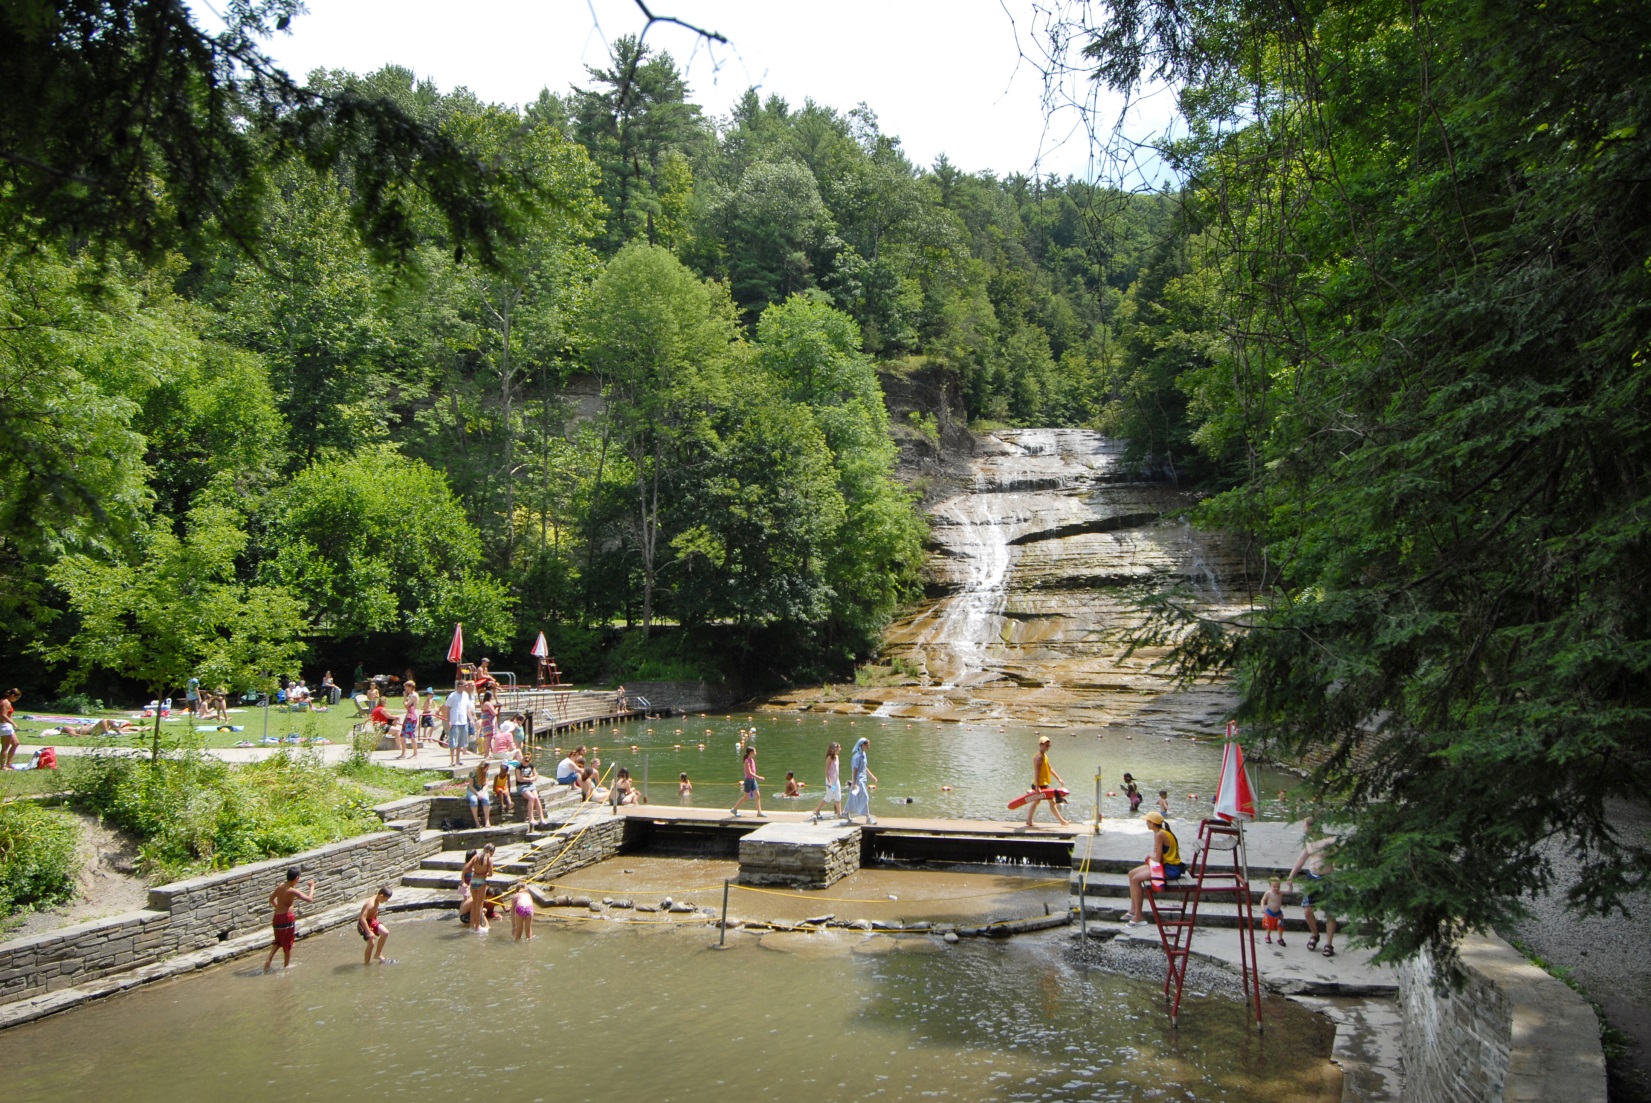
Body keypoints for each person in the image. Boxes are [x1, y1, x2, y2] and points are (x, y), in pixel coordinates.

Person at [1287, 820, 1340, 956]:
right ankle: (1315, 934)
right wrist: (1291, 875)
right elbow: (1301, 859)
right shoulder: (1309, 841)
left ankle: (1329, 944)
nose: (1304, 830)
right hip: (1312, 877)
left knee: (1330, 912)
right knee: (1307, 910)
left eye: (1305, 827)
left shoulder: (1329, 841)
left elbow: (1338, 859)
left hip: (1327, 878)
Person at [1123, 810, 1184, 926]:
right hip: (1164, 865)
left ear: (1152, 823)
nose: (1146, 823)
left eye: (1147, 821)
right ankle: (1133, 909)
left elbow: (1157, 857)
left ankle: (1139, 917)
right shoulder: (1162, 832)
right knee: (1132, 873)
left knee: (1136, 879)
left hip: (1170, 869)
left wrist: (1150, 856)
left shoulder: (1159, 835)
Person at [263, 867, 315, 972]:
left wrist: (279, 907)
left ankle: (269, 958)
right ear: (296, 878)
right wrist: (312, 887)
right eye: (298, 878)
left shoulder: (280, 886)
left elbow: (271, 899)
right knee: (288, 943)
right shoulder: (292, 891)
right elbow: (309, 899)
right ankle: (286, 967)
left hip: (276, 918)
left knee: (278, 940)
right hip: (286, 918)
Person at [1024, 736, 1070, 827]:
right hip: (1040, 785)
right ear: (1041, 745)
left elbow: (1050, 769)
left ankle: (1029, 820)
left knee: (1044, 802)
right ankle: (1062, 821)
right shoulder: (1039, 757)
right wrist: (1037, 787)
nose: (1048, 747)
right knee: (1046, 802)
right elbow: (1036, 772)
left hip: (1044, 784)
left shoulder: (1044, 756)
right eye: (1046, 745)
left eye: (1049, 746)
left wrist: (1059, 778)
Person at [842, 737, 878, 824]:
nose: (868, 746)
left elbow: (864, 767)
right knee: (865, 797)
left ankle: (845, 812)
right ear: (862, 745)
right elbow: (854, 770)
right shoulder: (857, 757)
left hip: (863, 779)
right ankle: (868, 818)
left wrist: (872, 776)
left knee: (853, 797)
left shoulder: (863, 755)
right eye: (867, 745)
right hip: (858, 781)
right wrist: (854, 783)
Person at [462, 845, 495, 933]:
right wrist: (485, 873)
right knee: (479, 905)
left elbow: (466, 867)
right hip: (481, 882)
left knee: (474, 904)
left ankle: (472, 925)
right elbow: (491, 874)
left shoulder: (476, 857)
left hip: (473, 881)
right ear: (491, 851)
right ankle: (477, 926)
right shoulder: (490, 859)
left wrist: (474, 871)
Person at [443, 679, 476, 767]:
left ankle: (458, 760)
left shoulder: (465, 695)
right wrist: (449, 720)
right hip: (455, 721)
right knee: (453, 741)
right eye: (465, 685)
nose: (466, 687)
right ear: (459, 686)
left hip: (463, 721)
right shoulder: (452, 695)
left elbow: (467, 708)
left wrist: (471, 719)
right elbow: (448, 708)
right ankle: (452, 760)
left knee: (461, 742)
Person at [357, 885, 393, 965]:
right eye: (386, 899)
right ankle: (367, 964)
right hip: (363, 923)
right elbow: (362, 918)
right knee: (371, 943)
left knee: (385, 933)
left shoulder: (378, 899)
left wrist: (376, 921)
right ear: (381, 896)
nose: (386, 901)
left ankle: (378, 954)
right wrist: (369, 932)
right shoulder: (370, 904)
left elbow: (374, 911)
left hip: (371, 921)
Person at [808, 743, 843, 823]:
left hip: (836, 781)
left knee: (838, 795)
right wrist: (829, 782)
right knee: (829, 796)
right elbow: (827, 770)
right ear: (834, 748)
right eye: (838, 747)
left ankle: (839, 814)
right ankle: (817, 810)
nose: (840, 749)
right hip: (830, 781)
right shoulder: (830, 758)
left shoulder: (837, 757)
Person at [729, 743, 765, 818]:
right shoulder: (747, 761)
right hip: (748, 781)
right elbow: (749, 772)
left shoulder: (752, 760)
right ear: (751, 752)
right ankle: (734, 809)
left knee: (757, 795)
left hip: (753, 780)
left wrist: (756, 778)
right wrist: (758, 777)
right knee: (746, 797)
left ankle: (759, 812)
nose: (756, 753)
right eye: (755, 751)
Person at [516, 752, 546, 827]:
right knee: (531, 798)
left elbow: (535, 775)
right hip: (521, 786)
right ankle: (531, 818)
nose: (526, 764)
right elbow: (519, 779)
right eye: (524, 762)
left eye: (527, 762)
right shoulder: (518, 767)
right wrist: (530, 779)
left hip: (530, 785)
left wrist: (529, 779)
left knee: (536, 798)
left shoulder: (531, 766)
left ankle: (541, 817)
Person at [1260, 879, 1287, 946]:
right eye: (1274, 886)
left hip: (1278, 913)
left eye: (1278, 887)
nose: (1276, 888)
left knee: (1280, 926)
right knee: (1269, 926)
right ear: (1270, 886)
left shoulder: (1280, 892)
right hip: (1270, 912)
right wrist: (1262, 907)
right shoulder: (1268, 893)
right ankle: (1268, 936)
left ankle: (1280, 938)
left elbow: (1289, 891)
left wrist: (1290, 886)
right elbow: (1263, 900)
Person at [466, 762, 492, 828]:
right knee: (474, 800)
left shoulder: (486, 773)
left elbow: (486, 784)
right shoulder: (473, 772)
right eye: (486, 768)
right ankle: (476, 821)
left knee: (486, 800)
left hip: (481, 790)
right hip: (472, 790)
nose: (487, 770)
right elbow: (471, 786)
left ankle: (487, 820)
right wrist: (477, 793)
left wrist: (482, 793)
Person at [397, 682, 419, 759]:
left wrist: (404, 697)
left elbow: (407, 705)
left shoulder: (413, 695)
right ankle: (403, 753)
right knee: (403, 735)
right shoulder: (410, 695)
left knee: (411, 735)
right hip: (408, 715)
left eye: (406, 687)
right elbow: (407, 707)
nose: (405, 689)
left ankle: (415, 753)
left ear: (410, 687)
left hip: (411, 717)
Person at [1, 687, 21, 770]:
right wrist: (13, 723)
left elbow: (9, 715)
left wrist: (12, 725)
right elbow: (3, 715)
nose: (16, 699)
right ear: (12, 695)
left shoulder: (7, 702)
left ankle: (9, 763)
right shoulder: (5, 703)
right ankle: (2, 766)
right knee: (5, 747)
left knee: (16, 743)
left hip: (8, 726)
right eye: (16, 697)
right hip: (4, 726)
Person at [475, 689, 498, 761]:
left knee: (488, 738)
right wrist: (496, 710)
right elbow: (494, 713)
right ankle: (487, 754)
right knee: (488, 738)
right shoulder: (487, 704)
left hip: (486, 722)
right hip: (488, 723)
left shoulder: (484, 703)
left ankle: (487, 753)